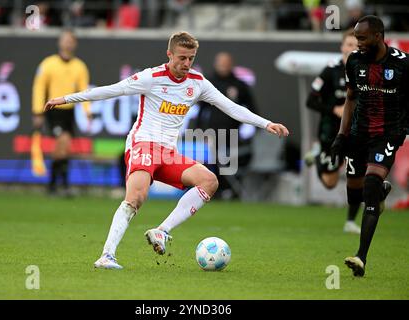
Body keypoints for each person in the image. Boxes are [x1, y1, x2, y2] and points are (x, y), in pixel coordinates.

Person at [43, 31, 289, 269]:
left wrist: (266, 123)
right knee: (136, 197)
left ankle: (161, 231)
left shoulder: (198, 83)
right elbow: (110, 90)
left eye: (191, 58)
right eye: (181, 58)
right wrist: (66, 99)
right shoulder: (151, 77)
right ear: (169, 54)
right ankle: (107, 255)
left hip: (168, 152)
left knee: (209, 181)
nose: (186, 63)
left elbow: (231, 107)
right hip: (143, 144)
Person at [330, 15, 408, 277]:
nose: (357, 43)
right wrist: (342, 136)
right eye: (355, 38)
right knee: (355, 196)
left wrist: (402, 130)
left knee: (370, 186)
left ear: (378, 36)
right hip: (358, 135)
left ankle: (361, 257)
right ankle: (380, 193)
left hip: (387, 134)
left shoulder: (402, 64)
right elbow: (351, 98)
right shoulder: (354, 61)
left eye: (362, 38)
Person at [305, 29, 360, 234]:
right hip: (331, 132)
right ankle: (319, 154)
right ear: (342, 47)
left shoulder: (366, 71)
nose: (352, 49)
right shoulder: (330, 70)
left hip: (357, 131)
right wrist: (334, 109)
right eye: (348, 45)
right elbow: (310, 100)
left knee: (358, 176)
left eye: (356, 45)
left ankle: (350, 221)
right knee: (330, 182)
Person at [32, 29, 91, 197]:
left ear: (75, 44)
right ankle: (63, 185)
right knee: (63, 142)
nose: (68, 43)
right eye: (65, 40)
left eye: (71, 40)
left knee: (63, 149)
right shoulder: (48, 64)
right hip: (54, 111)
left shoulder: (79, 66)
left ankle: (53, 185)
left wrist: (87, 111)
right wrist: (37, 111)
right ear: (60, 42)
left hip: (69, 112)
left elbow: (84, 91)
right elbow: (39, 88)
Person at [195, 51, 257, 200]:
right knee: (212, 162)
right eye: (221, 63)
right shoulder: (208, 83)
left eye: (226, 63)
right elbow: (201, 109)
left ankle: (231, 191)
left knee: (231, 164)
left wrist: (246, 130)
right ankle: (214, 192)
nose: (223, 66)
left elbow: (252, 109)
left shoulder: (239, 85)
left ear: (231, 64)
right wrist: (199, 130)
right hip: (212, 133)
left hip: (233, 134)